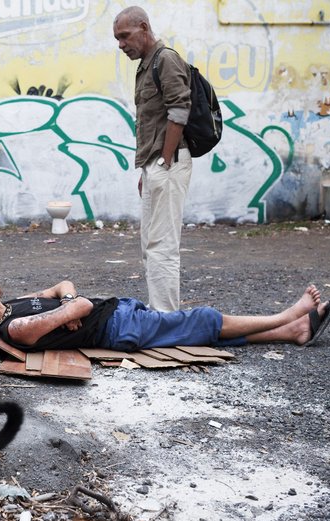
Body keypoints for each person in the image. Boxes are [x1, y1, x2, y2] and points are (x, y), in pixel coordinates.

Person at [0, 280, 330, 353]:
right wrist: (70, 309)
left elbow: (65, 287)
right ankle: (288, 314)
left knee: (195, 334)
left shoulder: (18, 304)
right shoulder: (16, 327)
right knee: (203, 319)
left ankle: (294, 331)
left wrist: (69, 305)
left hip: (120, 312)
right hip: (121, 328)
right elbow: (76, 306)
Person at [113, 6, 193, 312]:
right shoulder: (148, 64)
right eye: (117, 39)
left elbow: (179, 111)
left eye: (125, 36)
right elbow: (155, 121)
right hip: (155, 164)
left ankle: (166, 317)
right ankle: (159, 310)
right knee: (150, 245)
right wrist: (147, 169)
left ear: (144, 27)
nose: (121, 44)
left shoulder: (166, 59)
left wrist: (164, 161)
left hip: (168, 164)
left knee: (163, 247)